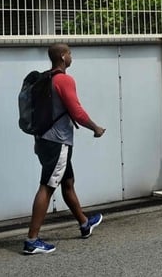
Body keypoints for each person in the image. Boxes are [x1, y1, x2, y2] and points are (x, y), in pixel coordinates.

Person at [23, 43, 106, 255]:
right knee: (47, 186)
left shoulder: (46, 79)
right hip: (57, 142)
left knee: (67, 182)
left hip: (45, 139)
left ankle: (84, 223)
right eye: (70, 53)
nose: (71, 56)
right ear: (62, 56)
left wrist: (37, 140)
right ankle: (32, 240)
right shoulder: (64, 80)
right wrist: (95, 127)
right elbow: (76, 111)